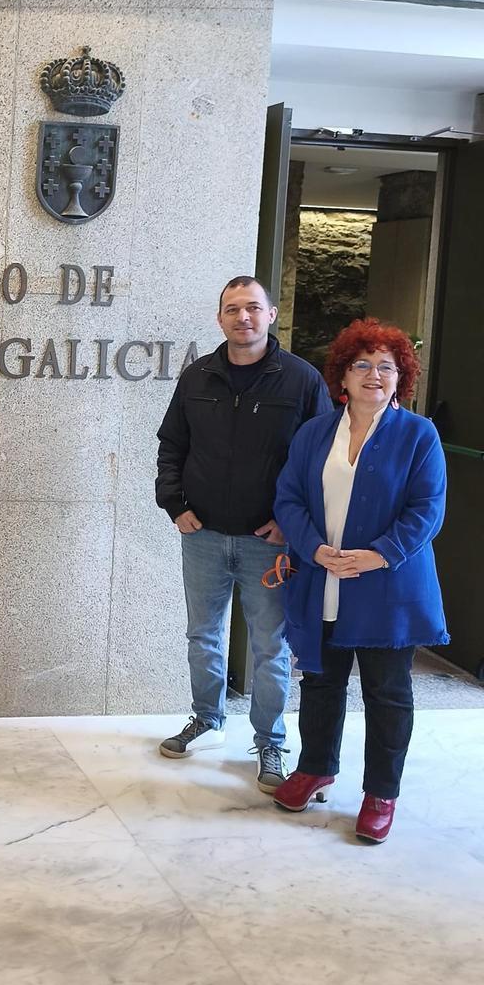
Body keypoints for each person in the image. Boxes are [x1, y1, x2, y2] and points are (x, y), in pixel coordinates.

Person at [270, 319, 448, 843]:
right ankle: (316, 766)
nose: (374, 375)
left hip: (387, 587)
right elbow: (289, 498)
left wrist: (376, 556)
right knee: (321, 682)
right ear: (342, 377)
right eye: (362, 365)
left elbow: (427, 510)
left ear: (400, 379)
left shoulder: (419, 435)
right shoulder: (315, 433)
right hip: (321, 577)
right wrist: (314, 548)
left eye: (386, 367)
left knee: (387, 692)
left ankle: (381, 793)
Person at [155, 276, 332, 789]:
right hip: (203, 535)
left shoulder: (300, 380)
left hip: (267, 542)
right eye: (232, 309)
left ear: (271, 315)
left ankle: (271, 743)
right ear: (220, 319)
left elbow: (319, 461)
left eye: (253, 307)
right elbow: (171, 446)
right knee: (202, 635)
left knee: (269, 646)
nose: (243, 317)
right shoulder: (197, 378)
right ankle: (207, 719)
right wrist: (175, 504)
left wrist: (291, 521)